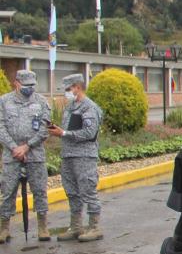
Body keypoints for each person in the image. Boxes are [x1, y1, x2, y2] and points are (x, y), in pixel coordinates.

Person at [49, 74, 104, 242]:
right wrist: (58, 131)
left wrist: (64, 133)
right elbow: (68, 129)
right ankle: (76, 226)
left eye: (68, 89)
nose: (66, 92)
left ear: (77, 88)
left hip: (84, 156)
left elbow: (89, 132)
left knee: (88, 190)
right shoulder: (71, 107)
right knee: (72, 192)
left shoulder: (89, 108)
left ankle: (94, 227)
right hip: (68, 154)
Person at [0, 69, 52, 243]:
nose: (29, 88)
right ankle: (4, 228)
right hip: (11, 155)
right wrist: (15, 148)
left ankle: (43, 227)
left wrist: (27, 146)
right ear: (16, 83)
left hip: (34, 154)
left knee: (39, 191)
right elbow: (0, 127)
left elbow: (46, 129)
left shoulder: (41, 101)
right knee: (8, 192)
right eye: (26, 85)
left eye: (32, 85)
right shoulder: (4, 101)